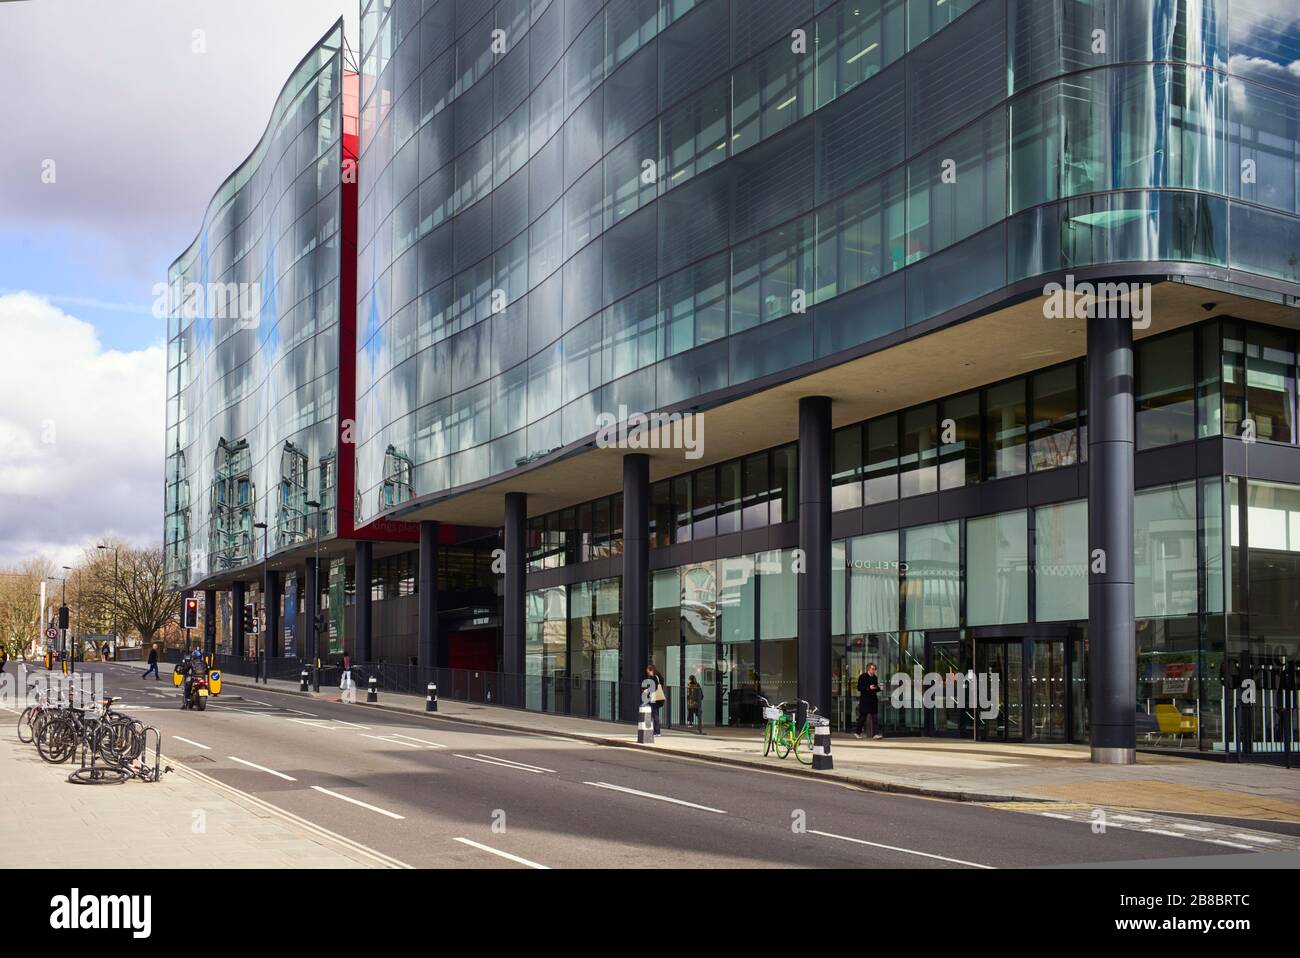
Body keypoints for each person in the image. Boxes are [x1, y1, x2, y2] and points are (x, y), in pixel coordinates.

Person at [855, 662, 883, 739]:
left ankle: (875, 734)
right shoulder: (863, 677)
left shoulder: (875, 677)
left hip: (873, 700)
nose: (874, 670)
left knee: (875, 717)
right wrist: (868, 688)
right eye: (873, 669)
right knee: (863, 717)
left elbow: (875, 688)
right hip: (865, 700)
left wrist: (879, 688)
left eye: (875, 669)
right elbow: (859, 688)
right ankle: (857, 732)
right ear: (868, 669)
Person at [645, 663, 666, 735]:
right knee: (655, 714)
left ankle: (657, 731)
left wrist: (647, 690)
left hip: (654, 698)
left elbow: (653, 687)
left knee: (655, 715)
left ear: (652, 670)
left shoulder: (653, 678)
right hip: (658, 698)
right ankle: (656, 731)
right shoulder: (659, 677)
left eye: (649, 672)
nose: (648, 673)